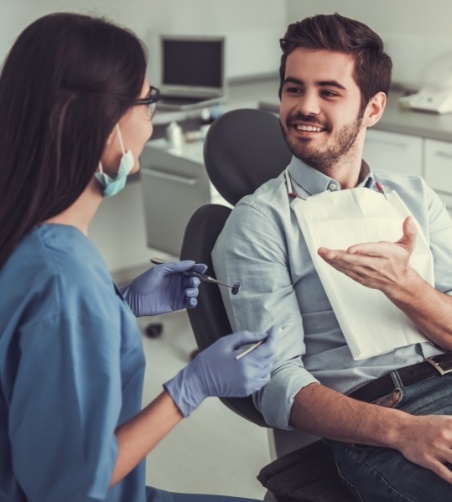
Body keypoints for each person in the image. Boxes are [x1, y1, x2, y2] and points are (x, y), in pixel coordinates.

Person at [0, 13, 277, 502]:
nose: (152, 120)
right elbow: (66, 488)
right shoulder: (65, 284)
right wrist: (192, 386)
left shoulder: (31, 239)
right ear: (107, 128)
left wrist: (119, 304)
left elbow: (32, 354)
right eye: (148, 103)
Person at [212, 12, 452, 502]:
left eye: (329, 92)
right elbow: (275, 383)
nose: (305, 107)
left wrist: (405, 288)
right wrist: (404, 431)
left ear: (374, 108)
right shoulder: (259, 222)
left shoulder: (415, 197)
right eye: (293, 89)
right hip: (385, 414)